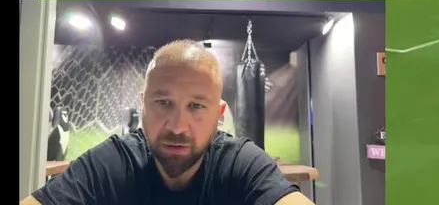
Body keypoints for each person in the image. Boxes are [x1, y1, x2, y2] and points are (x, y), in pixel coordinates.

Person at [23, 40, 313, 205]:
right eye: (163, 103)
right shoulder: (111, 163)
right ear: (144, 104)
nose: (177, 127)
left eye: (196, 106)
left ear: (219, 113)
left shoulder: (242, 163)